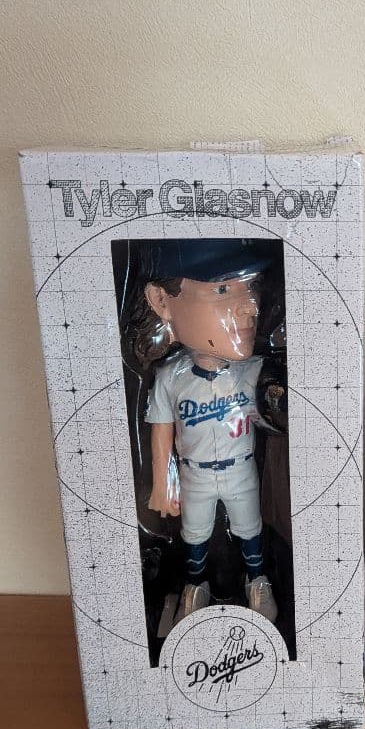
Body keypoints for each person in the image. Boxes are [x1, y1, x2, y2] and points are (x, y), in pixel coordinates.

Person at [132, 241, 279, 626]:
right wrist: (163, 482)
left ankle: (257, 580)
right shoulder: (171, 376)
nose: (250, 306)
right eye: (223, 289)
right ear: (161, 301)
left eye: (251, 287)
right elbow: (161, 430)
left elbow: (278, 404)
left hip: (240, 468)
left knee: (249, 528)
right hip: (194, 472)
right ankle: (194, 585)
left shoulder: (253, 370)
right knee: (194, 535)